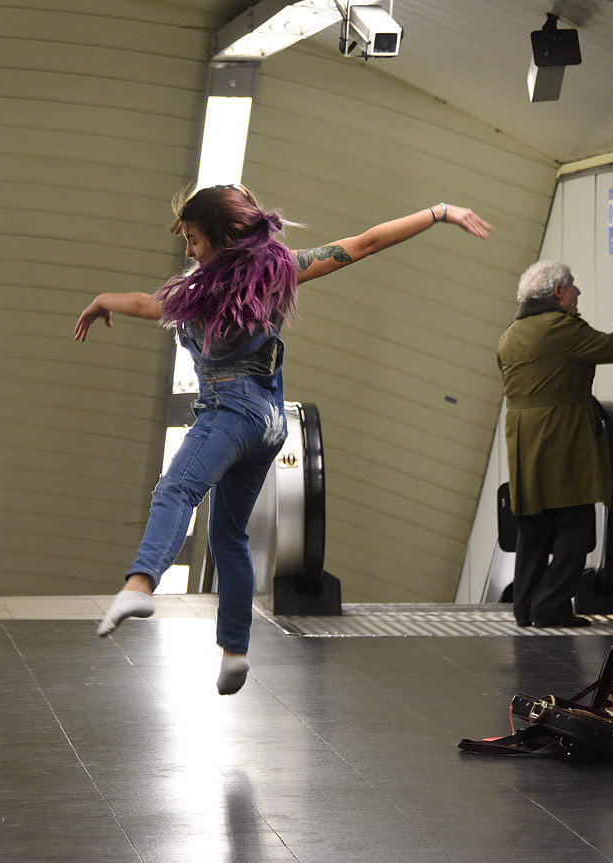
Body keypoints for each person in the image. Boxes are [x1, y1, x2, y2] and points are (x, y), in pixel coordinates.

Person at [76, 185, 492, 694]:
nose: (188, 250)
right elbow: (363, 244)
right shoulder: (277, 272)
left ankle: (140, 584)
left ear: (224, 236)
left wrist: (101, 301)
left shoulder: (198, 292)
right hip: (269, 423)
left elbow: (149, 303)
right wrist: (439, 212)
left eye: (193, 239)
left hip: (228, 413)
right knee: (228, 535)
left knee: (176, 490)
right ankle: (234, 652)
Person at [498, 261, 613, 628]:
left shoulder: (511, 334)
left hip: (523, 442)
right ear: (557, 293)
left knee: (533, 527)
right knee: (576, 527)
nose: (578, 292)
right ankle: (550, 605)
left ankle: (525, 606)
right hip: (561, 438)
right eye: (573, 287)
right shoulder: (560, 328)